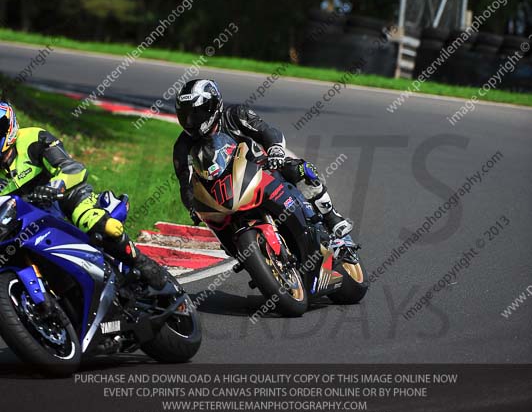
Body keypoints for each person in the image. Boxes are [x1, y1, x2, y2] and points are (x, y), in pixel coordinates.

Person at [0, 101, 168, 289]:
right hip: (27, 219)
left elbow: (72, 167)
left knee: (99, 224)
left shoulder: (33, 138)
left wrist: (57, 186)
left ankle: (141, 262)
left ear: (10, 126)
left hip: (64, 197)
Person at [173, 79, 353, 237]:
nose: (191, 121)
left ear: (213, 106)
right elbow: (186, 183)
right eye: (186, 115)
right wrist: (192, 207)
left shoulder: (235, 115)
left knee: (298, 169)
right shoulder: (182, 146)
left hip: (260, 169)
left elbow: (266, 131)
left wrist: (275, 150)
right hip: (222, 192)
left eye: (197, 113)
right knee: (216, 224)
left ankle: (332, 217)